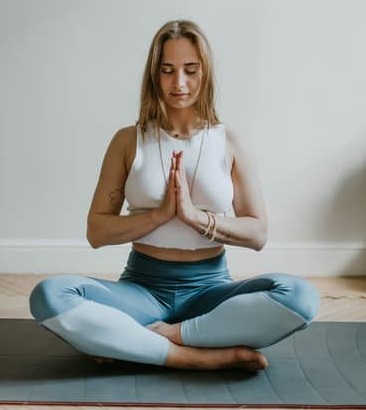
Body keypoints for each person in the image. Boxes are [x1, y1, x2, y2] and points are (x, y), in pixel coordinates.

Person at [29, 20, 319, 371]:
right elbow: (96, 232)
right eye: (167, 71)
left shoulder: (230, 142)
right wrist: (159, 215)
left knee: (300, 297)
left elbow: (258, 234)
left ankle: (155, 338)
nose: (179, 83)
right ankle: (193, 356)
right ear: (154, 75)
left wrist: (194, 217)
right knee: (49, 296)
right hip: (142, 290)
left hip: (211, 293)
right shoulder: (127, 140)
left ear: (205, 73)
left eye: (190, 70)